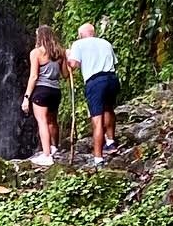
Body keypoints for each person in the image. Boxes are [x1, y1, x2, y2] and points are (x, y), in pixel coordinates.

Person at [66, 22, 120, 164]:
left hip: (95, 82)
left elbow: (74, 64)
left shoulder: (78, 44)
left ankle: (98, 158)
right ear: (93, 32)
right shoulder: (106, 43)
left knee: (97, 118)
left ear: (81, 35)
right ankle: (111, 142)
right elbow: (114, 62)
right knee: (108, 109)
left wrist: (68, 56)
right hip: (112, 79)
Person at [20, 27, 66, 167]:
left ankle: (46, 155)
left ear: (40, 37)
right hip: (55, 91)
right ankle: (54, 147)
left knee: (42, 121)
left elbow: (34, 76)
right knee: (52, 121)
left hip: (41, 91)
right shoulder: (60, 53)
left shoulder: (36, 53)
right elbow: (65, 74)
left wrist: (26, 97)